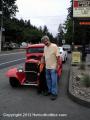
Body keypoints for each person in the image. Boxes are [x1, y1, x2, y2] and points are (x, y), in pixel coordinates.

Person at [41, 35, 60, 100]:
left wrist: (57, 67)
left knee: (54, 81)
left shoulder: (54, 46)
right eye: (43, 42)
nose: (45, 43)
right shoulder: (45, 47)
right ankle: (49, 91)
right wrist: (41, 62)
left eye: (45, 41)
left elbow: (58, 57)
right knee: (48, 81)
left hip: (53, 68)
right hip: (47, 67)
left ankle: (54, 94)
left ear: (48, 40)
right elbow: (43, 56)